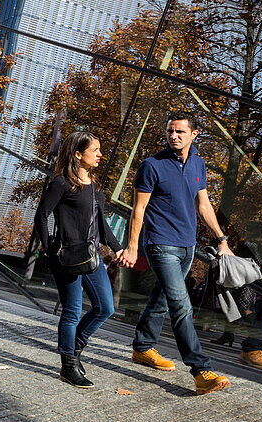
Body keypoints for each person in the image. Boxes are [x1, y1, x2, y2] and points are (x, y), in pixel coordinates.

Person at [122, 112, 232, 395]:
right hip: (160, 244)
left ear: (194, 135)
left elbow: (204, 205)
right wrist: (133, 247)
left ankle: (143, 347)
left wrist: (221, 238)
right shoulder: (151, 165)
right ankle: (200, 370)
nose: (174, 136)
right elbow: (138, 210)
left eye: (180, 132)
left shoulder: (198, 163)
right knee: (180, 304)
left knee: (161, 295)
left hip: (188, 245)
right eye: (170, 131)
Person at [35, 131, 126, 389]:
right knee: (73, 311)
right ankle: (68, 366)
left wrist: (117, 248)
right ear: (78, 154)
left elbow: (101, 223)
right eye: (94, 150)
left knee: (105, 308)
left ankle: (73, 346)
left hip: (92, 256)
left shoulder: (95, 186)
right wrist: (50, 250)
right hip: (67, 259)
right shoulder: (62, 183)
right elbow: (41, 216)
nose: (99, 154)